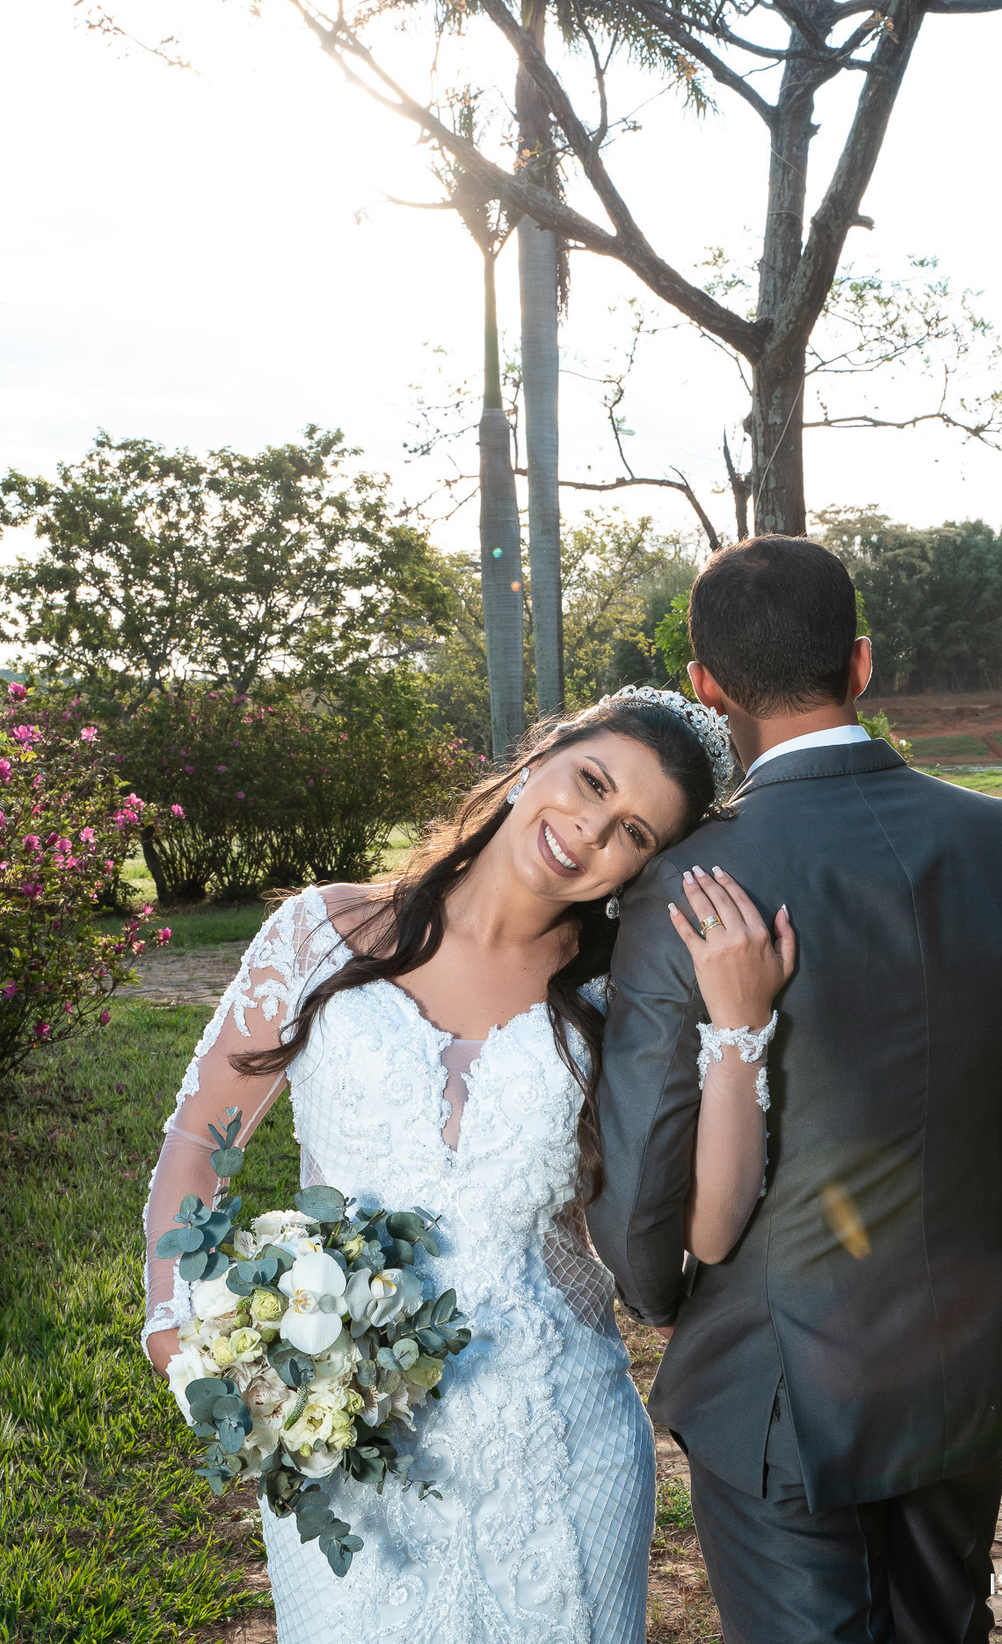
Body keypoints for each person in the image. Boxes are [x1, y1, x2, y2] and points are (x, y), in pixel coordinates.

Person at [142, 689, 793, 1644]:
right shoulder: (322, 932)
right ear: (539, 760)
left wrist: (739, 1029)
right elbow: (204, 1137)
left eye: (631, 833)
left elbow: (710, 1225)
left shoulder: (621, 999)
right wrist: (175, 1320)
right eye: (590, 781)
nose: (586, 830)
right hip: (348, 1437)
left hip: (559, 1440)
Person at [588, 536, 1002, 1644]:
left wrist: (667, 1298)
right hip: (963, 1357)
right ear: (862, 665)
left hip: (776, 1380)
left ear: (707, 685)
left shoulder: (685, 883)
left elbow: (646, 1168)